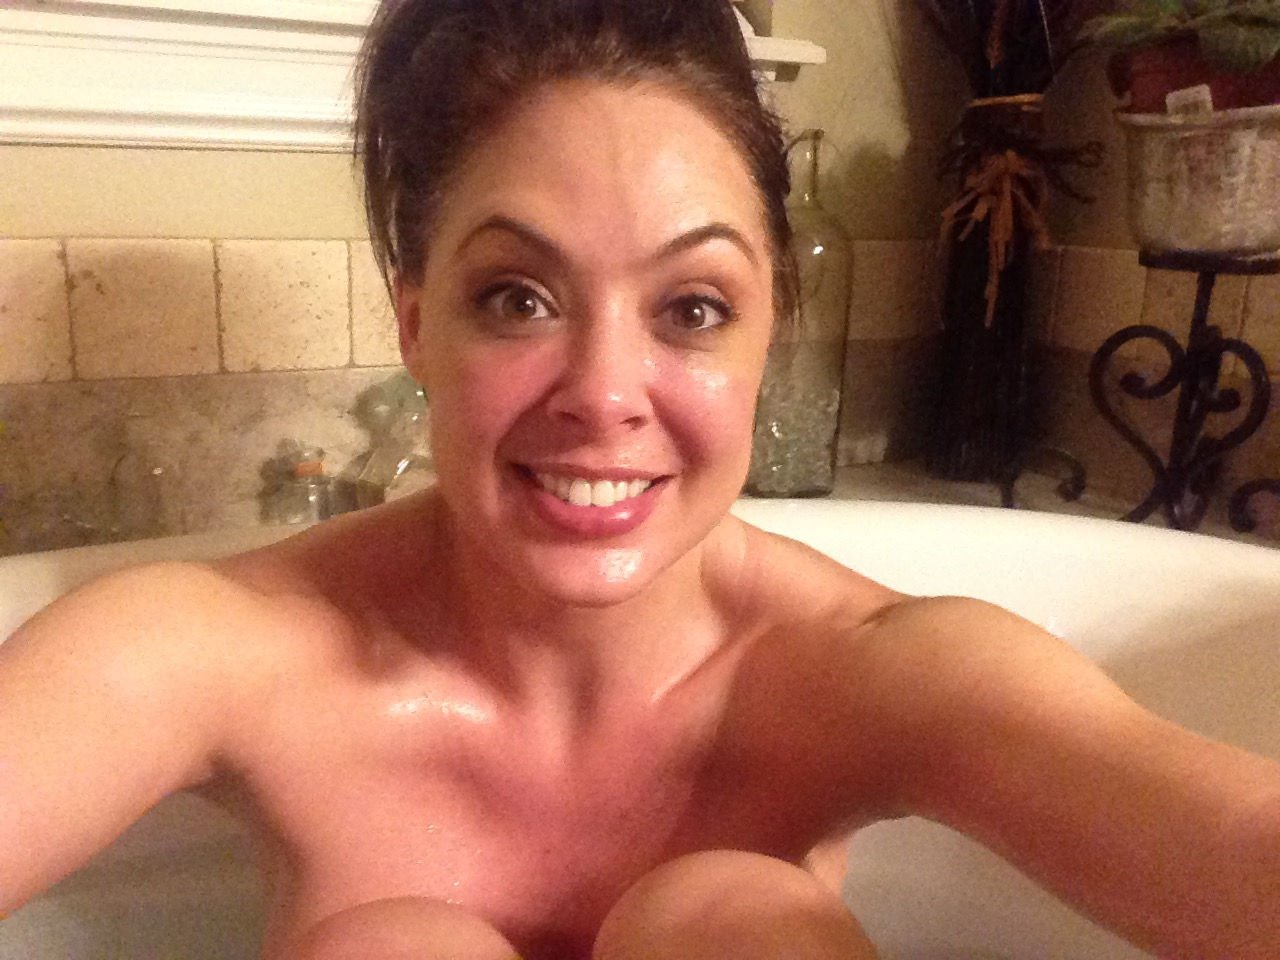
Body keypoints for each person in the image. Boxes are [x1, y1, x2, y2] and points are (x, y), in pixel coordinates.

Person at [2, 1, 1278, 958]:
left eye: (691, 307)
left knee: (732, 917)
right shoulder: (227, 649)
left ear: (768, 330)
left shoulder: (868, 672)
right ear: (415, 322)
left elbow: (1226, 840)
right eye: (517, 297)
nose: (604, 392)